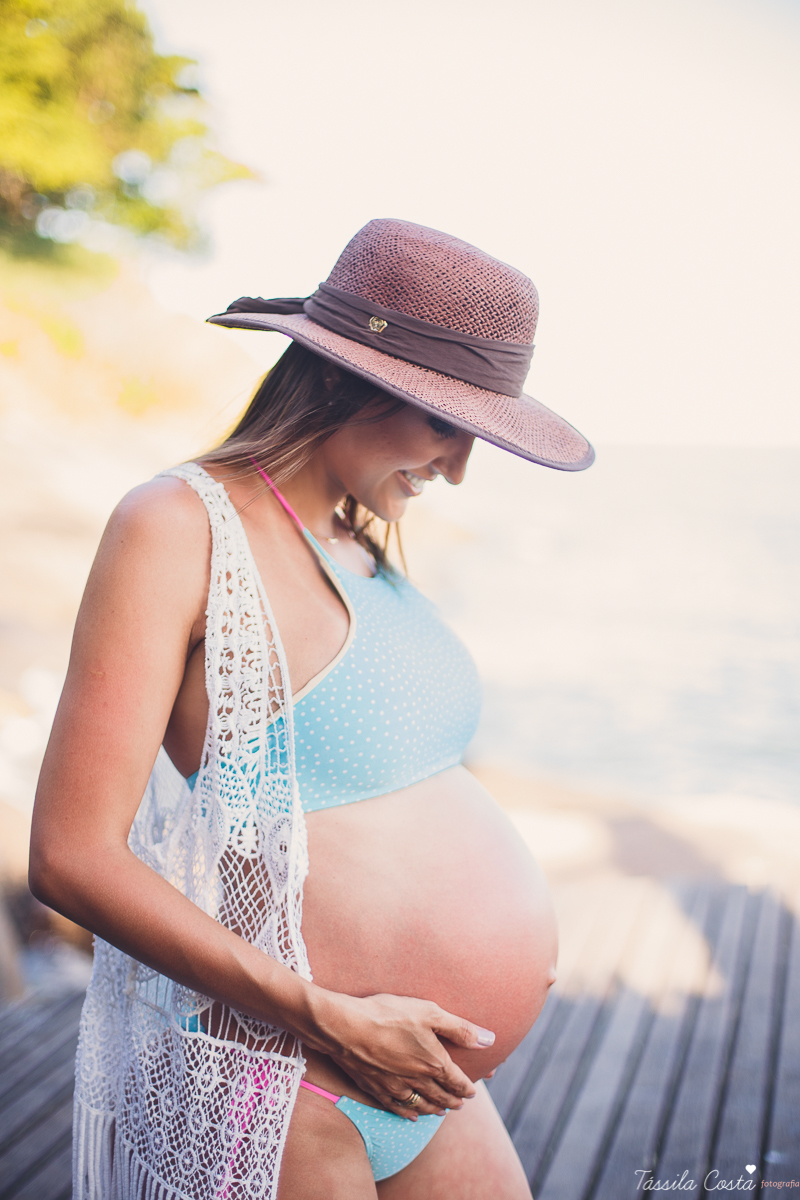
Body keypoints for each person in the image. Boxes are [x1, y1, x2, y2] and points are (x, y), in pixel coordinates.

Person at [30, 218, 594, 1200]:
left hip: (418, 1084)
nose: (458, 468)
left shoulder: (361, 538)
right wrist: (327, 1014)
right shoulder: (176, 526)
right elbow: (72, 855)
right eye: (443, 425)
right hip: (285, 1081)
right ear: (340, 382)